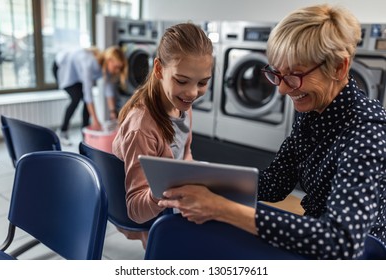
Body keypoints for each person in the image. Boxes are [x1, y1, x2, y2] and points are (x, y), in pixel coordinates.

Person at [158, 4, 386, 259]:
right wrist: (206, 181)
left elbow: (341, 243)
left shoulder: (367, 132)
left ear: (339, 69)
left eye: (295, 75)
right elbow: (277, 183)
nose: (282, 89)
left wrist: (222, 209)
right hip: (314, 240)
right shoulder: (313, 112)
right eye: (277, 73)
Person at [112, 23, 214, 247]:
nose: (192, 93)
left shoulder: (183, 105)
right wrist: (166, 191)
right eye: (181, 80)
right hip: (155, 215)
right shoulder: (142, 128)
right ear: (159, 69)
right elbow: (136, 210)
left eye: (203, 83)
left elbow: (185, 153)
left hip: (171, 202)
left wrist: (196, 175)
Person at [53, 46, 128, 146]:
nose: (117, 71)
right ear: (109, 60)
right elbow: (88, 95)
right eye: (116, 67)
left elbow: (109, 90)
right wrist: (96, 121)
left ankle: (85, 136)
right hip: (62, 66)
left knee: (85, 101)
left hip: (76, 73)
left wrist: (112, 112)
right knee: (77, 98)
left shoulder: (106, 67)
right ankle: (62, 132)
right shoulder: (89, 64)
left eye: (120, 68)